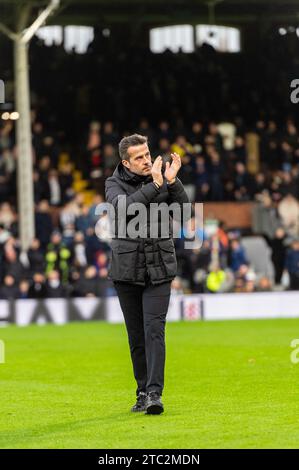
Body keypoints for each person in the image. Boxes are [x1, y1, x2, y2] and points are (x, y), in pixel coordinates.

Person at [105, 134, 189, 415]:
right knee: (136, 337)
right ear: (125, 162)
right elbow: (125, 210)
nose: (147, 160)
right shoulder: (113, 184)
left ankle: (154, 394)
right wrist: (156, 184)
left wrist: (173, 182)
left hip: (159, 269)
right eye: (139, 157)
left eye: (148, 154)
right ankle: (141, 391)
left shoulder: (163, 179)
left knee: (155, 331)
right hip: (127, 271)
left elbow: (185, 214)